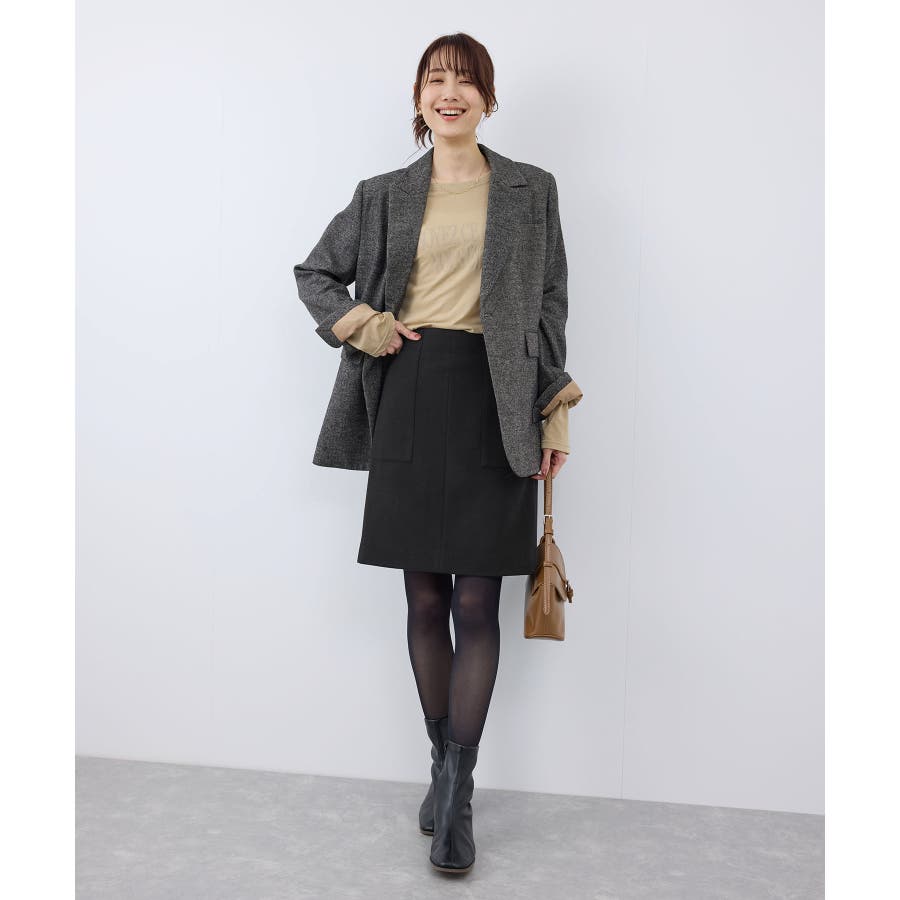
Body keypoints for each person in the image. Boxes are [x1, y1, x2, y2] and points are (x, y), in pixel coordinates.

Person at [293, 33, 583, 875]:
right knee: (424, 597)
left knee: (477, 603)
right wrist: (369, 326)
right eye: (434, 80)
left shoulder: (531, 189)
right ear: (419, 99)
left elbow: (551, 305)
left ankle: (457, 793)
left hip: (499, 402)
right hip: (412, 392)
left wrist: (553, 416)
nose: (449, 92)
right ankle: (442, 766)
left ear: (487, 97)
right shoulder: (383, 195)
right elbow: (316, 274)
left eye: (464, 81)